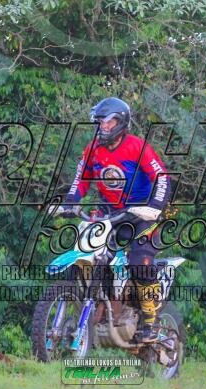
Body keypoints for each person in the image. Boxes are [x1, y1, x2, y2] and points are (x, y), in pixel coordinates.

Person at [53, 97, 171, 343]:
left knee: (139, 262)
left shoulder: (137, 147)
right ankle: (98, 304)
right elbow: (81, 179)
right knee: (87, 250)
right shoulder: (93, 149)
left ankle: (150, 320)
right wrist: (70, 202)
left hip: (141, 214)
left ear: (121, 122)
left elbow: (161, 177)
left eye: (109, 122)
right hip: (108, 212)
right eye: (100, 122)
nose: (103, 127)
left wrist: (155, 207)